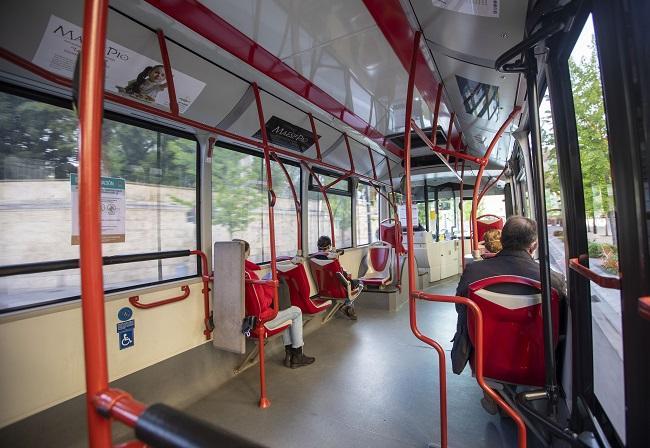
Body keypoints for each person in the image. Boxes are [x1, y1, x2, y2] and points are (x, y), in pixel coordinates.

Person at [450, 216, 566, 412]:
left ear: (502, 241)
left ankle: (492, 391)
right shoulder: (552, 280)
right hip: (535, 362)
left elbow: (461, 307)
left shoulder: (473, 272)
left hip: (485, 357)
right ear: (534, 245)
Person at [237, 240, 315, 369]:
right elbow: (262, 303)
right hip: (260, 320)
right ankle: (297, 355)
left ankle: (290, 355)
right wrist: (269, 289)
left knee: (286, 314)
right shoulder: (249, 276)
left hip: (245, 318)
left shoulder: (232, 273)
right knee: (296, 311)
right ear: (246, 253)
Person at [314, 235, 360, 320]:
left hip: (323, 290)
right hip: (338, 289)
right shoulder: (332, 260)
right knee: (359, 283)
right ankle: (347, 304)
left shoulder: (313, 259)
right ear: (329, 246)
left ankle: (345, 306)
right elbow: (341, 276)